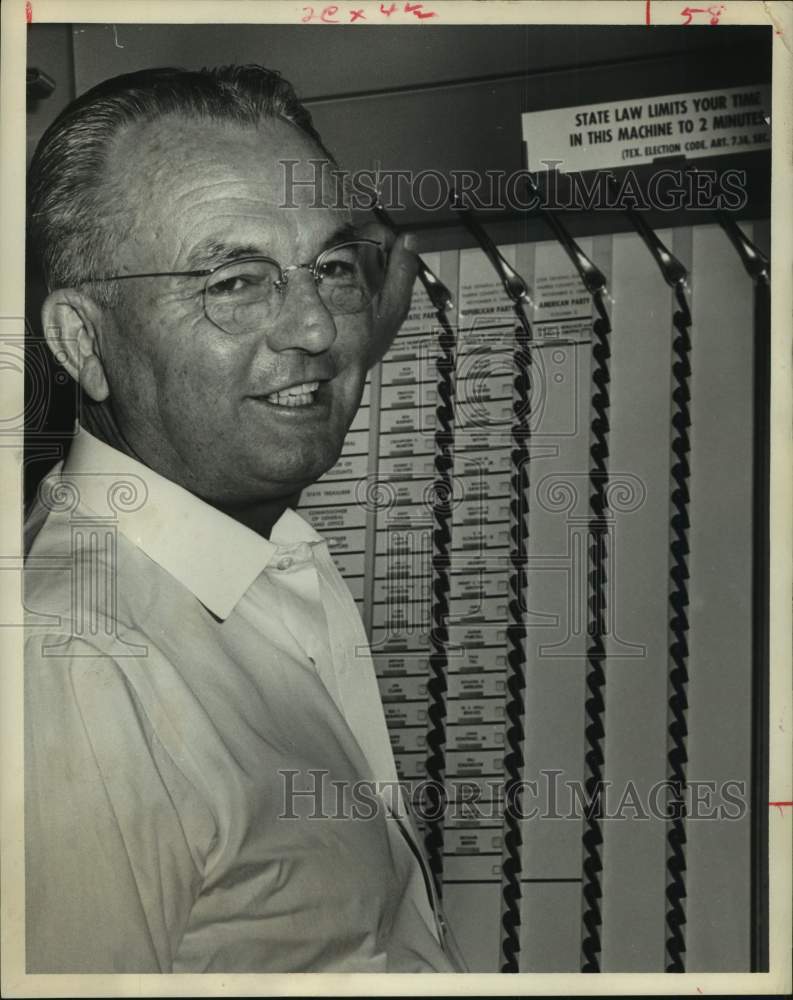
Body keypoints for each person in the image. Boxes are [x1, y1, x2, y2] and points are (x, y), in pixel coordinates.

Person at [24, 65, 463, 974]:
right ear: (81, 342)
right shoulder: (73, 672)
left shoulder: (258, 562)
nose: (316, 327)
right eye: (233, 282)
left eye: (333, 268)